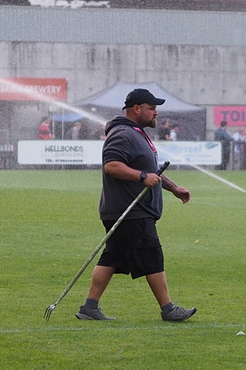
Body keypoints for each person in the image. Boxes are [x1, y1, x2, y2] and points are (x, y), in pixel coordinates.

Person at [76, 88, 195, 322]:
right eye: (152, 108)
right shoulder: (122, 133)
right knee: (151, 256)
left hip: (126, 209)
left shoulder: (137, 133)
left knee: (112, 257)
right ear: (137, 109)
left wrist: (173, 188)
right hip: (130, 210)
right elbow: (111, 165)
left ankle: (89, 308)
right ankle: (168, 309)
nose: (156, 113)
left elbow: (152, 171)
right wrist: (141, 177)